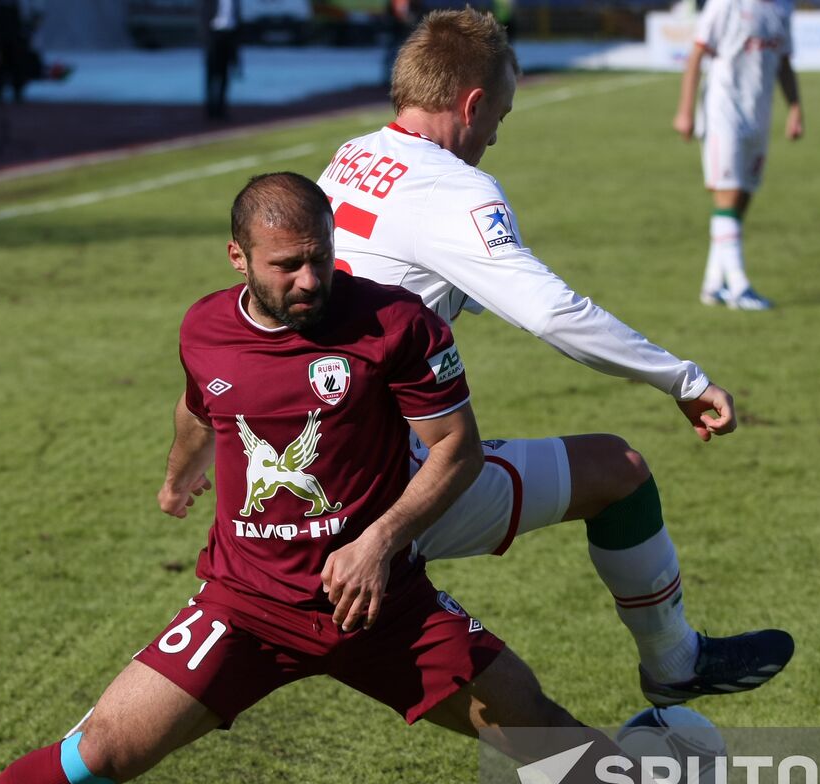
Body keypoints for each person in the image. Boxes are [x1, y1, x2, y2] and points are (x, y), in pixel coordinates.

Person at [0, 173, 808, 784]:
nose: (312, 277)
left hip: (383, 605)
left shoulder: (395, 325)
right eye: (288, 265)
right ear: (238, 260)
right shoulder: (204, 330)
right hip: (243, 605)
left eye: (320, 255)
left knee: (532, 724)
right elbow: (201, 404)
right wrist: (178, 471)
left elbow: (453, 452)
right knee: (97, 751)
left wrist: (380, 541)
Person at [318, 10, 794, 708]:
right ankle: (675, 661)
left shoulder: (348, 157)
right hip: (380, 493)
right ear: (472, 103)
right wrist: (683, 379)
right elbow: (553, 313)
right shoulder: (455, 188)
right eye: (500, 115)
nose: (497, 134)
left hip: (297, 476)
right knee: (620, 471)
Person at [673, 0, 802, 310]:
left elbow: (784, 62)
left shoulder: (782, 8)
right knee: (727, 196)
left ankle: (713, 284)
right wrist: (685, 110)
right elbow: (696, 57)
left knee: (741, 199)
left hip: (759, 115)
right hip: (723, 113)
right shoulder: (724, 5)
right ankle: (739, 286)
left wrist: (796, 108)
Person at [203, 0, 239, 121]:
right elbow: (203, 16)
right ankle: (210, 108)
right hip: (214, 36)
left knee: (225, 75)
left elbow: (238, 17)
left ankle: (221, 108)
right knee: (212, 76)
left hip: (229, 36)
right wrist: (206, 39)